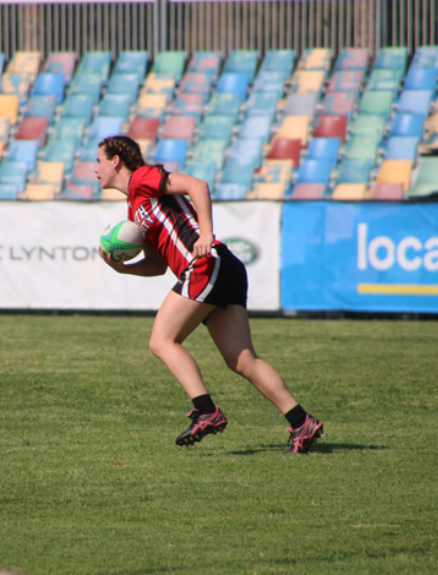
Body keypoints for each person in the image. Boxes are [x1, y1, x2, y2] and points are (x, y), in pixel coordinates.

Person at [95, 135, 323, 454]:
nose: (96, 169)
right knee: (241, 360)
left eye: (99, 161)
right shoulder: (134, 208)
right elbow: (158, 265)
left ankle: (206, 412)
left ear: (115, 161)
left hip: (205, 263)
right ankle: (302, 422)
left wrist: (206, 233)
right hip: (220, 267)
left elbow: (197, 185)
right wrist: (123, 269)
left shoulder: (143, 178)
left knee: (161, 341)